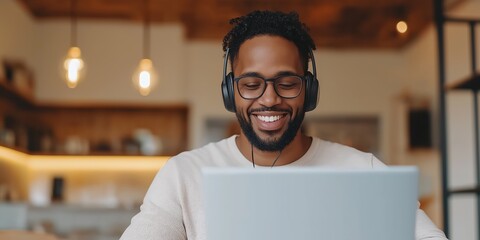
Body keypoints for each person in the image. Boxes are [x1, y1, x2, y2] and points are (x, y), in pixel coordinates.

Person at [120, 10, 447, 240]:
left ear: (309, 90)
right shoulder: (183, 175)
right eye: (251, 84)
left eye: (287, 83)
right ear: (230, 91)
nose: (269, 99)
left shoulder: (364, 171)